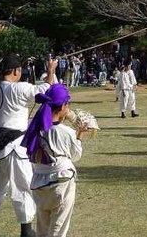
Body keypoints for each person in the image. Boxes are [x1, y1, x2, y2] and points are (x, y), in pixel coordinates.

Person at [0, 54, 55, 237]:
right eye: (20, 70)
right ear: (15, 71)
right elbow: (46, 91)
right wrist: (51, 70)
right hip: (14, 149)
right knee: (23, 189)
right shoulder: (17, 88)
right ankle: (26, 230)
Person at [21, 84, 86, 237]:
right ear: (63, 106)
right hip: (61, 182)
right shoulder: (66, 132)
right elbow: (75, 155)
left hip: (38, 182)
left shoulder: (36, 128)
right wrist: (80, 136)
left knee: (42, 227)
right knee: (58, 229)